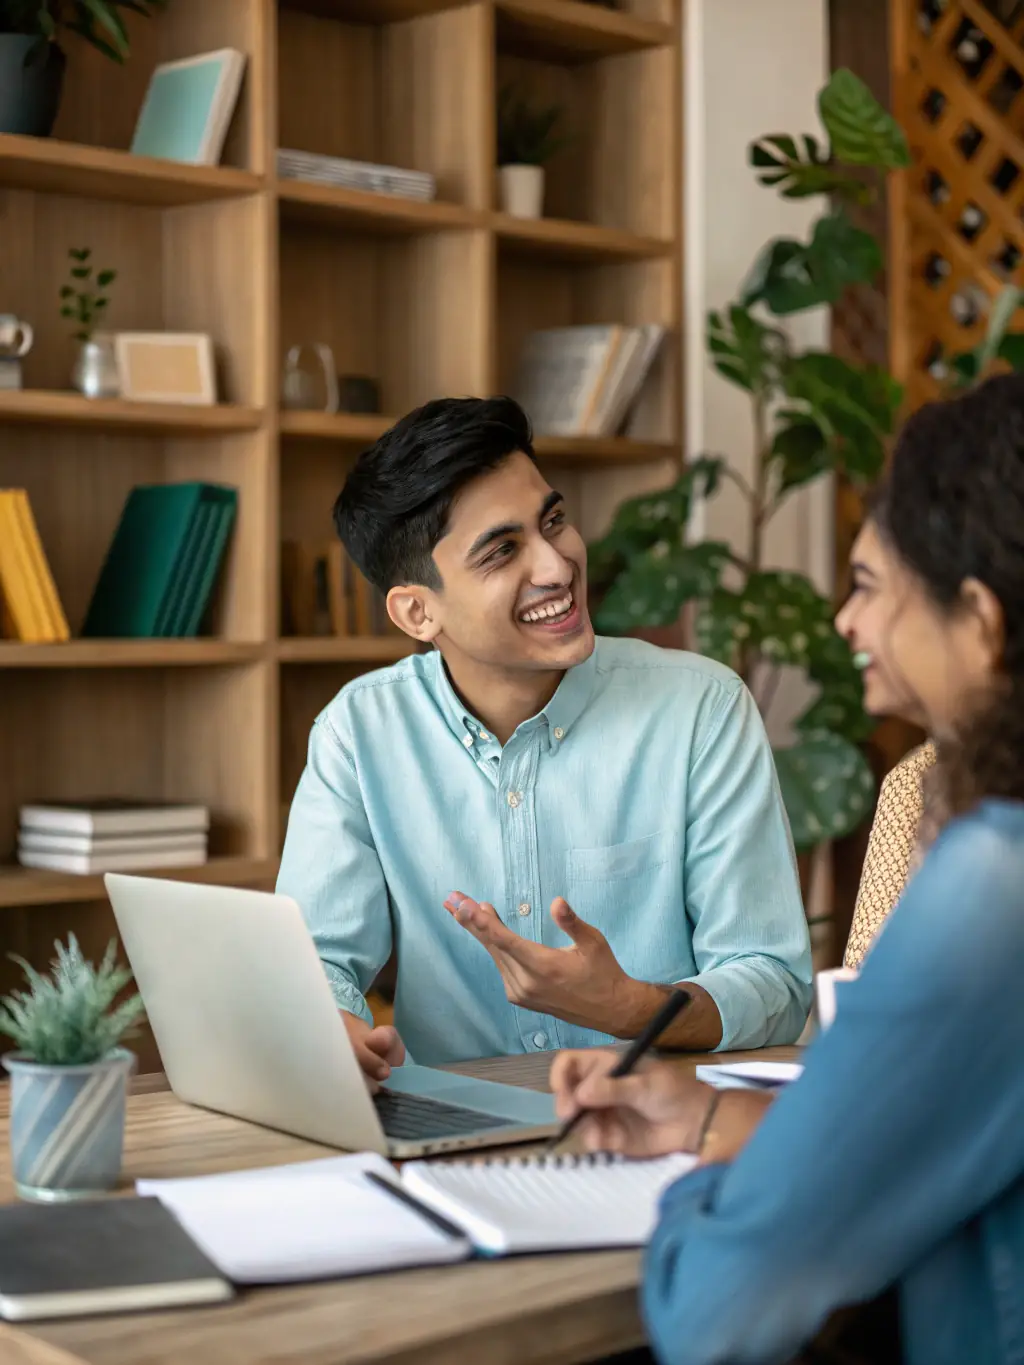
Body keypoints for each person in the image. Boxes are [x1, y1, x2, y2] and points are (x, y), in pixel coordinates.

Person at [551, 373, 1024, 1365]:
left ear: (980, 622)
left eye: (867, 589)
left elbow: (714, 1311)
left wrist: (710, 1187)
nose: (846, 626)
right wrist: (727, 1119)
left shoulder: (993, 889)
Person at [277, 396, 812, 1083]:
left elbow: (774, 984)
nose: (558, 568)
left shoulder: (702, 710)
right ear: (418, 610)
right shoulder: (359, 733)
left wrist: (629, 1006)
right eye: (503, 551)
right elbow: (312, 959)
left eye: (553, 522)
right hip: (450, 1134)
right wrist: (333, 1025)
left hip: (657, 1124)